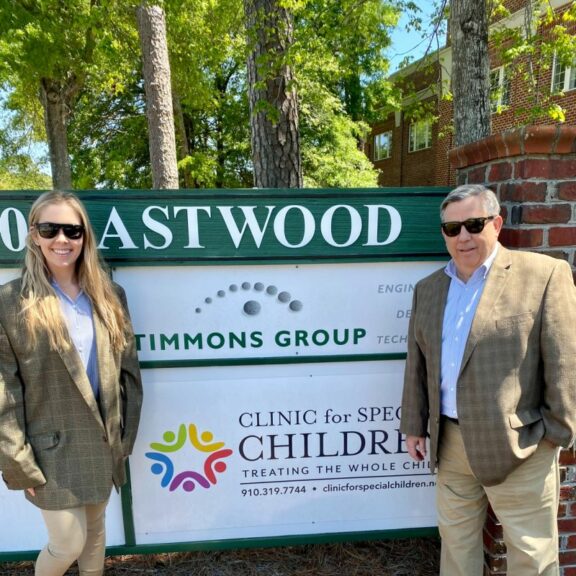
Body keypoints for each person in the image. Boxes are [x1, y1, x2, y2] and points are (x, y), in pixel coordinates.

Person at [400, 184, 576, 576]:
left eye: (474, 224)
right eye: (452, 228)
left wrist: (556, 436)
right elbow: (418, 361)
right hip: (450, 445)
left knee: (532, 557)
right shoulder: (428, 290)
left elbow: (565, 362)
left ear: (497, 224)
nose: (463, 236)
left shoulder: (544, 275)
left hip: (521, 446)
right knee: (457, 551)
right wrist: (415, 424)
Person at [0, 191, 143, 576]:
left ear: (85, 237)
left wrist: (123, 439)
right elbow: (4, 391)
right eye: (50, 229)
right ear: (34, 235)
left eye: (72, 230)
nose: (62, 240)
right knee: (67, 543)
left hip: (101, 440)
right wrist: (18, 462)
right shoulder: (11, 302)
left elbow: (129, 372)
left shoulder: (110, 295)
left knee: (95, 533)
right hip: (49, 450)